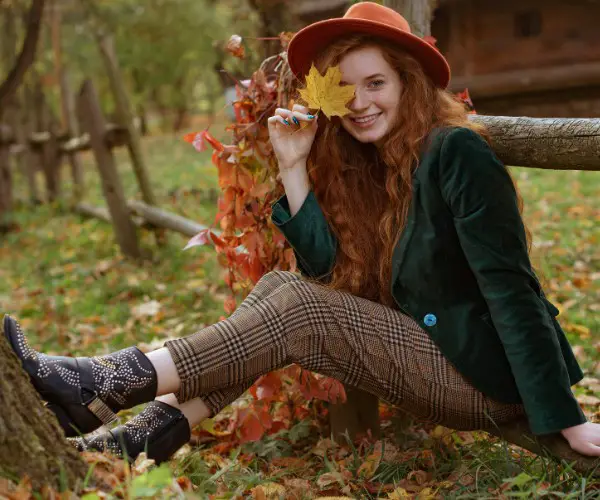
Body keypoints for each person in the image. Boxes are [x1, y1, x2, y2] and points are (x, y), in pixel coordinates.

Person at [3, 2, 599, 464]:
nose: (360, 103)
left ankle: (99, 381)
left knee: (293, 305)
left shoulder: (456, 152)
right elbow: (327, 274)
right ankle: (133, 442)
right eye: (346, 89)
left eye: (376, 83)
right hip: (415, 350)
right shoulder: (371, 164)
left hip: (483, 372)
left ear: (408, 84)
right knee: (281, 293)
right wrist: (293, 164)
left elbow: (511, 287)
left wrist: (563, 416)